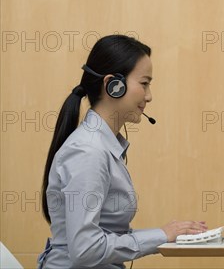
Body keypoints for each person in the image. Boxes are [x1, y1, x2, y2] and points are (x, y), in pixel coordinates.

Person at [38, 35, 207, 268]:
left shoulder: (101, 147)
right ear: (113, 85)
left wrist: (168, 234)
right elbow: (85, 249)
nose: (149, 96)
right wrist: (161, 235)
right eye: (144, 83)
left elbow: (101, 237)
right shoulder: (88, 152)